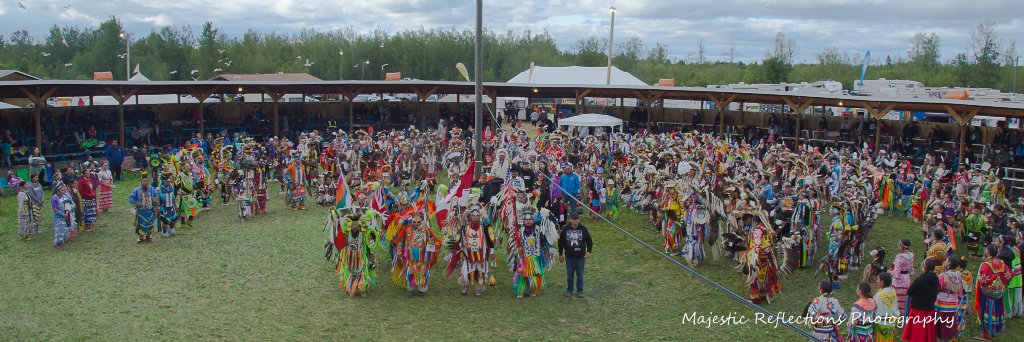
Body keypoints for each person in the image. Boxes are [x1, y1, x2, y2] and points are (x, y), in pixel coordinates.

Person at [975, 244, 1012, 341]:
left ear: (988, 252)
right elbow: (1009, 274)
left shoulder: (986, 265)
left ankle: (986, 335)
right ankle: (992, 331)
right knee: (995, 311)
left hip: (987, 294)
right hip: (998, 294)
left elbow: (982, 280)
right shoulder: (1001, 262)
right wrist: (1001, 286)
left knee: (988, 312)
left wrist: (982, 281)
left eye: (986, 249)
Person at [901, 258, 939, 342]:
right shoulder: (936, 279)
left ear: (925, 267)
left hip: (918, 310)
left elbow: (910, 291)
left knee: (917, 334)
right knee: (926, 334)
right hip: (929, 309)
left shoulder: (920, 280)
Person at [558, 210, 593, 298]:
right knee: (570, 275)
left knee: (580, 275)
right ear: (570, 219)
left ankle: (580, 291)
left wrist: (589, 251)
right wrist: (560, 254)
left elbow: (589, 241)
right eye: (574, 219)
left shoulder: (584, 229)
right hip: (569, 257)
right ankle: (569, 290)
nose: (576, 220)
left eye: (577, 218)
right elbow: (561, 242)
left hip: (580, 257)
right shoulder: (565, 229)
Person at [935, 255, 965, 342]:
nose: (944, 262)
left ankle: (940, 337)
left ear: (949, 263)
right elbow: (960, 290)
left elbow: (937, 287)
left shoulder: (943, 275)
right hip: (953, 302)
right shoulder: (959, 275)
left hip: (942, 301)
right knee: (949, 322)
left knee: (940, 321)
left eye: (946, 261)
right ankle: (947, 338)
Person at [128, 175, 159, 243]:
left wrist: (155, 198)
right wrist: (136, 203)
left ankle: (148, 236)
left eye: (147, 181)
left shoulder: (151, 189)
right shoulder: (137, 190)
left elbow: (157, 194)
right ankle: (141, 237)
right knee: (140, 225)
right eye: (144, 181)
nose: (146, 182)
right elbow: (131, 198)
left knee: (150, 223)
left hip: (150, 210)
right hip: (141, 211)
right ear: (141, 182)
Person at [872, 272, 899, 342]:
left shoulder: (878, 296)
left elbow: (873, 311)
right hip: (891, 324)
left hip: (880, 325)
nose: (876, 281)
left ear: (882, 282)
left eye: (878, 279)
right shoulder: (893, 292)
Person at [891, 239, 915, 313]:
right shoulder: (911, 255)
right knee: (904, 297)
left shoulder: (899, 257)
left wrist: (892, 273)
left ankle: (896, 313)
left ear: (901, 246)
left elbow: (897, 270)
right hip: (906, 278)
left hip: (899, 279)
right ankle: (903, 313)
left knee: (897, 297)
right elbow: (911, 268)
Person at [51, 184, 75, 251]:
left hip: (65, 216)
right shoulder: (55, 198)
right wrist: (62, 214)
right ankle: (57, 244)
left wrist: (69, 209)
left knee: (64, 230)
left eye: (64, 190)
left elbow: (67, 204)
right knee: (59, 230)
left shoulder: (63, 197)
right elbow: (54, 209)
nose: (64, 191)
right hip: (58, 217)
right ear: (58, 190)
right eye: (62, 190)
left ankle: (61, 242)